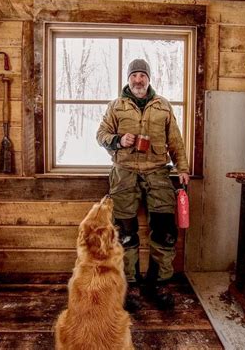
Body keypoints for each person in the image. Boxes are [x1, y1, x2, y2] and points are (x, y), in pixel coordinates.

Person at [96, 58, 190, 312]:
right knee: (125, 232)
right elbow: (101, 135)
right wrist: (118, 140)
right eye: (134, 75)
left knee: (165, 230)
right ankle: (131, 286)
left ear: (149, 79)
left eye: (142, 75)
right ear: (128, 79)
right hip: (124, 173)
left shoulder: (163, 106)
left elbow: (176, 140)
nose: (138, 80)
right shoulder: (116, 106)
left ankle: (159, 284)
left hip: (158, 172)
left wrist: (182, 168)